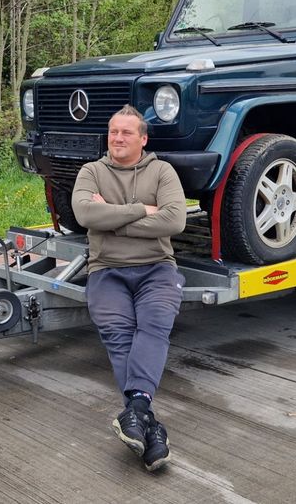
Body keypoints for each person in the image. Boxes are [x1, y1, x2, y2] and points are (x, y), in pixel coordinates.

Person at [71, 104, 187, 472]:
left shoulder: (162, 171)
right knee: (119, 335)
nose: (117, 138)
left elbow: (176, 220)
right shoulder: (91, 171)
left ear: (143, 139)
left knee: (154, 325)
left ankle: (136, 413)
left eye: (126, 133)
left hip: (157, 269)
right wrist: (143, 210)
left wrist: (114, 219)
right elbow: (85, 215)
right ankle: (147, 421)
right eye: (113, 132)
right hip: (107, 269)